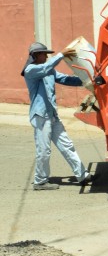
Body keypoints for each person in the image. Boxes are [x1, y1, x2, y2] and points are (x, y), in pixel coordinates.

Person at [21, 41, 93, 191]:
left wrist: (87, 81)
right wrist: (61, 54)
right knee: (44, 150)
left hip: (52, 115)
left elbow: (66, 79)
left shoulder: (49, 71)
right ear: (36, 55)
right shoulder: (31, 70)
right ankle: (40, 181)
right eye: (44, 54)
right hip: (41, 116)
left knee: (67, 145)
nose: (47, 56)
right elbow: (45, 67)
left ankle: (82, 175)